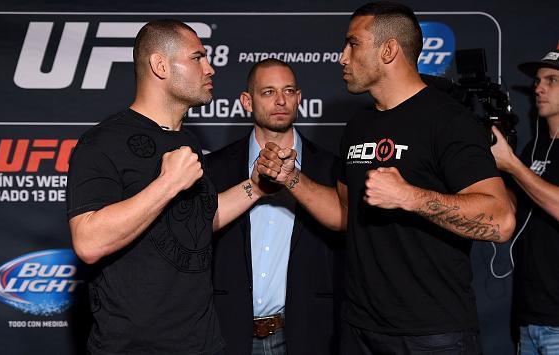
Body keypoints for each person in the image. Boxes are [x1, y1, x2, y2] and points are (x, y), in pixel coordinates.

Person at [256, 2, 516, 353]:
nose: (342, 58)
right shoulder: (359, 125)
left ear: (389, 49)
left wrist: (410, 197)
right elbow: (345, 214)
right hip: (360, 328)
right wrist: (292, 179)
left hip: (431, 334)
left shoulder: (448, 120)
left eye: (353, 44)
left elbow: (500, 221)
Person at [66, 20, 267, 355]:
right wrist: (168, 184)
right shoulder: (101, 143)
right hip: (134, 348)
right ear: (160, 65)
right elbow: (88, 241)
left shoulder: (186, 139)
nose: (210, 67)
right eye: (197, 57)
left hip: (202, 343)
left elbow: (199, 222)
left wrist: (257, 188)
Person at [207, 59, 344, 355]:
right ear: (247, 101)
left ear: (299, 98)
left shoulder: (331, 168)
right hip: (228, 333)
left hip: (307, 334)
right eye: (268, 92)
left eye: (289, 91)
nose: (281, 100)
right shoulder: (214, 168)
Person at [490, 48, 559, 354]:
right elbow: (514, 208)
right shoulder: (535, 145)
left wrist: (512, 166)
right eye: (538, 81)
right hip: (528, 315)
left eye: (552, 81)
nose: (538, 88)